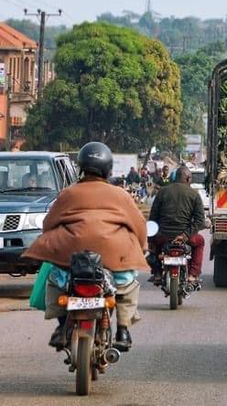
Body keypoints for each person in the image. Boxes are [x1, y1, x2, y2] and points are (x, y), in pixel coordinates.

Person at [22, 142, 148, 352]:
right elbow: (139, 226)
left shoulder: (68, 193)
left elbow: (48, 225)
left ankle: (62, 327)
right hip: (114, 258)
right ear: (108, 169)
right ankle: (123, 330)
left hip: (71, 258)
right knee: (126, 287)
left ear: (81, 166)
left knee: (55, 281)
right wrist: (142, 247)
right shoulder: (121, 195)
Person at [148, 165, 205, 283]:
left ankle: (157, 273)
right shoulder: (194, 194)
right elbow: (200, 220)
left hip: (163, 236)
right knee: (200, 242)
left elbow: (153, 217)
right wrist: (185, 235)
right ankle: (193, 274)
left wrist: (151, 238)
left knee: (154, 245)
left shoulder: (162, 192)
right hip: (185, 237)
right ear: (188, 179)